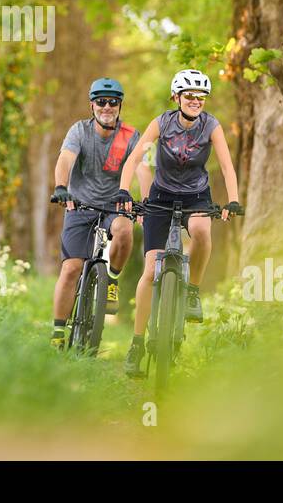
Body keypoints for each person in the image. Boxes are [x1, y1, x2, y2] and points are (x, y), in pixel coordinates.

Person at [114, 69, 240, 377]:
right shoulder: (162, 123)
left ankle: (193, 292)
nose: (196, 101)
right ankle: (137, 343)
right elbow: (135, 157)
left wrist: (233, 199)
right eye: (190, 96)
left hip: (197, 195)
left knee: (200, 231)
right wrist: (122, 189)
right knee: (151, 267)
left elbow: (225, 165)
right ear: (176, 98)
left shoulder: (211, 126)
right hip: (162, 196)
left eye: (201, 97)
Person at [49, 77, 153, 350]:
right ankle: (58, 333)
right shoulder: (79, 131)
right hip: (79, 204)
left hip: (115, 205)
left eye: (113, 102)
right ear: (92, 105)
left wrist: (147, 201)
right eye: (101, 102)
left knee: (124, 230)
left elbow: (141, 168)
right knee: (71, 268)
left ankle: (112, 282)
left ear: (120, 105)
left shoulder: (130, 135)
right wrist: (61, 187)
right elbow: (65, 159)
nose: (107, 107)